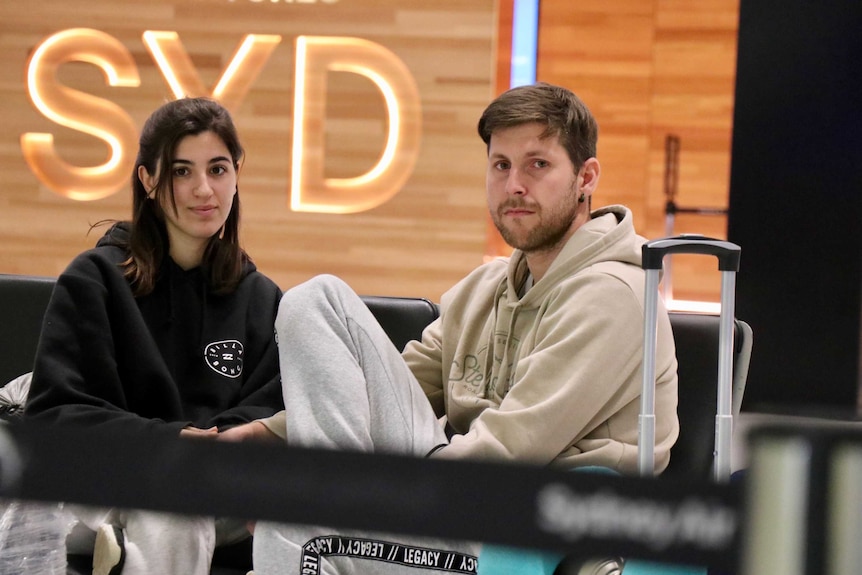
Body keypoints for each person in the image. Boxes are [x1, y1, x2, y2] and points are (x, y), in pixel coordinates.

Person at [224, 82, 679, 574]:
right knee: (312, 303)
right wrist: (271, 434)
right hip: (446, 505)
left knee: (292, 525)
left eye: (537, 165)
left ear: (586, 177)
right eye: (501, 165)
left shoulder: (614, 295)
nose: (514, 186)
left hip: (523, 533)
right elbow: (385, 396)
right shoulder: (483, 288)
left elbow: (510, 447)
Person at [24, 97, 285, 575]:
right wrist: (173, 440)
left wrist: (213, 445)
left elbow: (272, 410)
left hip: (219, 490)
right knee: (174, 508)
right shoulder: (95, 280)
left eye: (218, 169)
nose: (203, 189)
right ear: (147, 179)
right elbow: (55, 414)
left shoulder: (262, 299)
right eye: (181, 171)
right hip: (100, 487)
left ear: (237, 173)